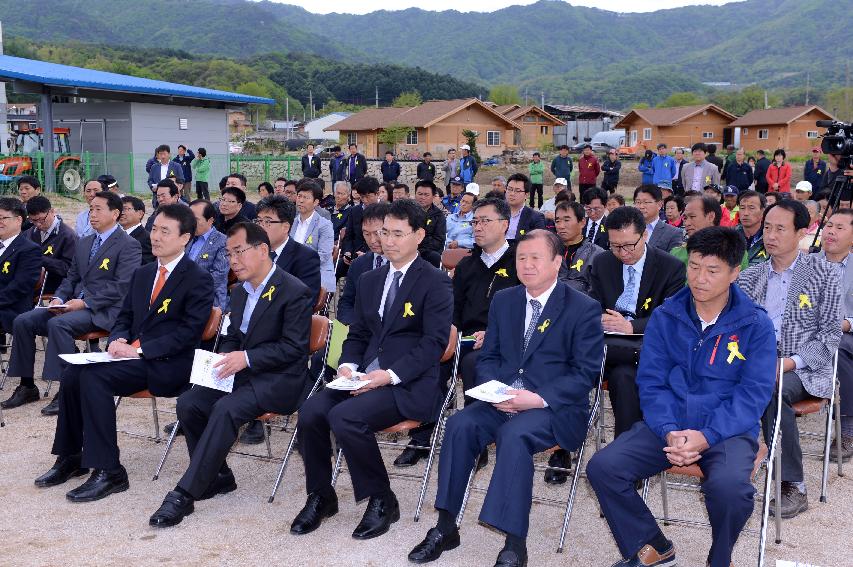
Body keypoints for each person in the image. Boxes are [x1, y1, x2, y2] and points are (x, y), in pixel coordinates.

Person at [407, 229, 603, 567]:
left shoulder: (583, 308)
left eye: (535, 258)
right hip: (503, 400)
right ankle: (445, 526)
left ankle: (515, 543)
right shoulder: (506, 300)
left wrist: (536, 398)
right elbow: (489, 357)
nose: (526, 265)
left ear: (557, 261)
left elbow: (584, 374)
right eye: (521, 258)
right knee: (459, 425)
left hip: (553, 407)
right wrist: (493, 390)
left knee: (515, 435)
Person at [588, 226, 777, 567]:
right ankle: (655, 546)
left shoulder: (754, 324)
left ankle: (720, 559)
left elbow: (753, 395)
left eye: (712, 270)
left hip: (727, 431)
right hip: (669, 426)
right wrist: (669, 429)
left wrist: (706, 436)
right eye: (693, 266)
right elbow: (652, 383)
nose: (699, 278)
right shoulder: (666, 315)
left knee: (732, 491)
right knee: (604, 467)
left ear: (735, 273)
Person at [290, 199, 453, 540]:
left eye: (397, 233)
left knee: (346, 417)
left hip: (407, 383)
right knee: (311, 411)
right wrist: (349, 365)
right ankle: (321, 494)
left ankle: (382, 498)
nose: (388, 240)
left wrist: (388, 376)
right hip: (364, 376)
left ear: (419, 235)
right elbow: (360, 333)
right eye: (384, 232)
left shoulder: (435, 281)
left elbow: (433, 343)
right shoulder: (369, 278)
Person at [33, 204, 213, 503]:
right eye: (154, 229)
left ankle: (110, 471)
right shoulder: (144, 274)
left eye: (164, 231)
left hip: (170, 364)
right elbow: (125, 317)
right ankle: (71, 457)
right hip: (133, 357)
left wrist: (138, 350)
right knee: (75, 372)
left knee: (95, 380)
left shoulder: (197, 278)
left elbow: (188, 334)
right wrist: (117, 339)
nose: (155, 236)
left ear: (185, 238)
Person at [149, 221, 313, 527]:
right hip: (242, 371)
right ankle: (218, 475)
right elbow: (233, 335)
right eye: (229, 253)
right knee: (189, 403)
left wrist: (246, 358)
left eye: (239, 252)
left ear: (263, 251)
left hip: (281, 378)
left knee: (226, 409)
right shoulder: (238, 292)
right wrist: (226, 353)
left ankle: (185, 494)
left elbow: (294, 348)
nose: (232, 260)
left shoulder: (294, 291)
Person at [738, 199, 842, 519]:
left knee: (773, 387)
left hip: (804, 365)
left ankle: (793, 483)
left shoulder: (824, 273)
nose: (770, 235)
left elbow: (830, 337)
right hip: (755, 361)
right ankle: (725, 465)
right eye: (767, 227)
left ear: (801, 232)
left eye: (780, 229)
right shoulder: (750, 275)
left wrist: (788, 362)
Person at [2, 191, 141, 413]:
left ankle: (66, 389)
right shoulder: (85, 242)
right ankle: (27, 385)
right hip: (73, 305)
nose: (92, 214)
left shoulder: (128, 245)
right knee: (24, 320)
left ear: (115, 213)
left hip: (103, 310)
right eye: (91, 209)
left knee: (58, 324)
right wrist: (59, 297)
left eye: (98, 209)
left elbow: (121, 286)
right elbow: (71, 277)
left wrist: (84, 303)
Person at [588, 206, 685, 438]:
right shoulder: (603, 262)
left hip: (645, 345)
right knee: (572, 366)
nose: (623, 253)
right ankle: (564, 443)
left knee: (623, 377)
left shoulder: (670, 267)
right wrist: (598, 316)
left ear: (645, 236)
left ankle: (625, 452)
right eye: (615, 245)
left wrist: (631, 327)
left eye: (629, 245)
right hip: (609, 343)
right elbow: (592, 303)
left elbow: (671, 317)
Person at [816, 209, 853, 461]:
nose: (831, 231)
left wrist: (845, 323)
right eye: (829, 225)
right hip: (806, 332)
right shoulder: (805, 263)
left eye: (840, 227)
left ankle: (847, 429)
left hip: (846, 333)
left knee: (836, 345)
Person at [337, 203, 391, 326]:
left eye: (377, 233)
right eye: (366, 234)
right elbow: (346, 302)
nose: (372, 240)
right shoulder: (358, 264)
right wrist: (353, 326)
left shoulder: (402, 264)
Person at [0, 197, 42, 335]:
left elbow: (20, 287)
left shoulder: (29, 249)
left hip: (10, 309)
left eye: (3, 218)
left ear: (18, 220)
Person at [26, 195, 77, 295]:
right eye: (33, 220)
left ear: (52, 211)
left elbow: (69, 269)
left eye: (41, 219)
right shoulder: (30, 233)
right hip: (29, 282)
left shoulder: (68, 236)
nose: (38, 224)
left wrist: (40, 259)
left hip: (54, 288)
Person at [293, 179, 336, 291]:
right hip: (292, 274)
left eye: (306, 198)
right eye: (299, 196)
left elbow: (324, 255)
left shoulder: (324, 225)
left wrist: (297, 265)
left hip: (316, 274)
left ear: (316, 202)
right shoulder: (291, 223)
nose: (300, 201)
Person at [556, 200, 604, 296]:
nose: (561, 226)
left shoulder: (597, 254)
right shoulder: (548, 252)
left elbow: (598, 292)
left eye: (566, 220)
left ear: (582, 222)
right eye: (557, 221)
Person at [187, 199, 229, 310]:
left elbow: (218, 275)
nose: (191, 223)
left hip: (208, 297)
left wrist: (189, 287)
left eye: (195, 220)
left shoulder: (222, 242)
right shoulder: (187, 237)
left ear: (210, 220)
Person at [341, 177, 381, 267]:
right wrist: (347, 252)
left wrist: (367, 255)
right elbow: (348, 236)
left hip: (375, 255)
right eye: (362, 197)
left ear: (377, 194)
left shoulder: (387, 211)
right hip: (354, 254)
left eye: (368, 196)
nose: (365, 200)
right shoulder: (354, 211)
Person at [633, 185, 684, 252]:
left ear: (659, 204)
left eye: (646, 202)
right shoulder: (627, 228)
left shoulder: (673, 233)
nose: (641, 206)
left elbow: (674, 260)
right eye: (638, 202)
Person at [504, 173, 546, 243]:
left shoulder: (536, 218)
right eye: (509, 189)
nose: (512, 194)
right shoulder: (496, 212)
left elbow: (539, 243)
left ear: (526, 195)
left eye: (517, 191)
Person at [414, 180, 447, 267]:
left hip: (427, 252)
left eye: (426, 195)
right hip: (407, 249)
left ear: (433, 196)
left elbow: (438, 241)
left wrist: (419, 250)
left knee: (434, 257)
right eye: (420, 194)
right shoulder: (407, 213)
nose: (422, 197)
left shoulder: (439, 216)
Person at [736, 190, 768, 266]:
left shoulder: (770, 237)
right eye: (742, 208)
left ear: (763, 211)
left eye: (751, 208)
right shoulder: (729, 236)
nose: (745, 213)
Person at [119, 196, 154, 265]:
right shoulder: (116, 235)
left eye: (125, 209)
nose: (121, 213)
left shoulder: (146, 239)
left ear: (140, 214)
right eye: (120, 209)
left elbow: (143, 266)